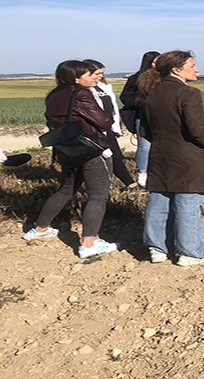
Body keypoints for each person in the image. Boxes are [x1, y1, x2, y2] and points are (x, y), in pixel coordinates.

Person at [24, 60, 119, 258]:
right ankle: (89, 243)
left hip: (66, 150)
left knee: (65, 190)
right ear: (76, 78)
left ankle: (40, 228)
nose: (94, 76)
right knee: (98, 195)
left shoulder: (54, 95)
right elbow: (104, 122)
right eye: (89, 74)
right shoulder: (81, 94)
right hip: (89, 149)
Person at [138, 51, 204, 266]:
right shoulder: (188, 93)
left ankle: (157, 248)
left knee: (159, 199)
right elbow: (198, 128)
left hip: (160, 153)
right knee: (187, 201)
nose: (197, 70)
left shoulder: (150, 92)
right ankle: (191, 253)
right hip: (188, 155)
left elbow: (145, 131)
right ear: (176, 69)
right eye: (192, 65)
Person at [84, 59, 143, 191]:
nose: (100, 76)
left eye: (102, 73)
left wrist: (116, 129)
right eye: (97, 73)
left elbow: (112, 108)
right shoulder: (85, 90)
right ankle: (126, 184)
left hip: (108, 127)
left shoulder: (103, 87)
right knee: (108, 157)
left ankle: (127, 184)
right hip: (96, 128)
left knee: (115, 156)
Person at [119, 51, 159, 188]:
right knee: (144, 147)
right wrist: (142, 103)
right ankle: (143, 175)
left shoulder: (166, 78)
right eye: (155, 61)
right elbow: (125, 97)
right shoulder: (135, 79)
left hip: (163, 117)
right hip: (142, 117)